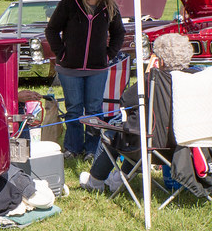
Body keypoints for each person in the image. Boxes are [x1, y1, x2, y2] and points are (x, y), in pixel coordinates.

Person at [80, 33, 194, 192]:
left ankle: (95, 182)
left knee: (114, 132)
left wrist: (149, 77)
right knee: (137, 132)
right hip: (188, 147)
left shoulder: (153, 79)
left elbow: (126, 101)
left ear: (159, 60)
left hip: (153, 147)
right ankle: (118, 180)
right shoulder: (197, 78)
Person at [45, 0, 126, 159]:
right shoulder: (68, 4)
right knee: (74, 108)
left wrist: (108, 55)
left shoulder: (109, 6)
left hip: (97, 68)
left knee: (94, 109)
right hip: (69, 68)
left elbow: (119, 32)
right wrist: (62, 53)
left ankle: (92, 149)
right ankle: (72, 148)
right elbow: (51, 30)